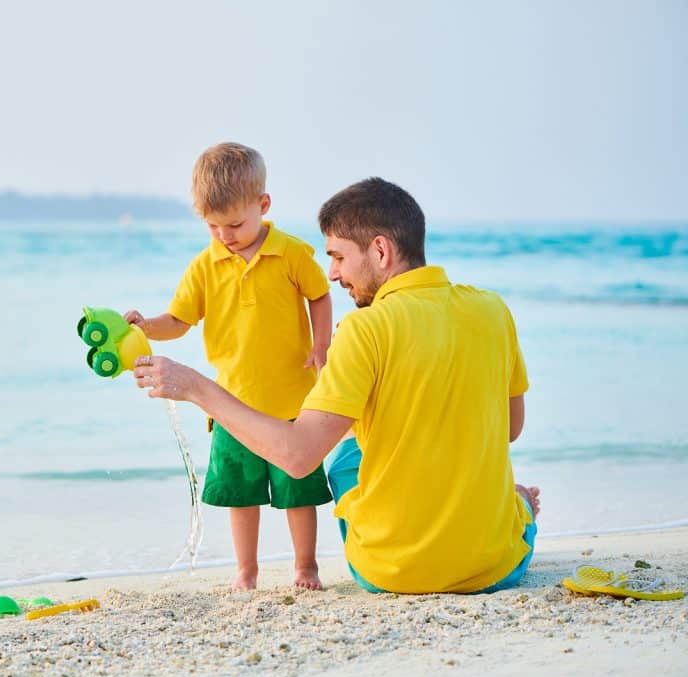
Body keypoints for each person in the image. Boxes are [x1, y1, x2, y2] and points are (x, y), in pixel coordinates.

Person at [133, 177, 541, 594]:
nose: (332, 274)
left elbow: (297, 458)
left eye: (339, 257)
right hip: (497, 567)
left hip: (390, 572)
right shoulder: (494, 310)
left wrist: (194, 387)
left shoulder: (363, 329)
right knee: (481, 455)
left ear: (380, 250)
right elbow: (510, 428)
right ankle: (516, 502)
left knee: (346, 449)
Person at [124, 142, 334, 590]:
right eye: (213, 226)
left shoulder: (292, 253)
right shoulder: (204, 266)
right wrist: (145, 327)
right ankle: (246, 571)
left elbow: (319, 294)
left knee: (298, 493)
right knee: (241, 496)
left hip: (292, 402)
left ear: (263, 205)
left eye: (235, 224)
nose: (225, 235)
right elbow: (178, 321)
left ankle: (305, 567)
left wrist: (322, 345)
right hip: (231, 406)